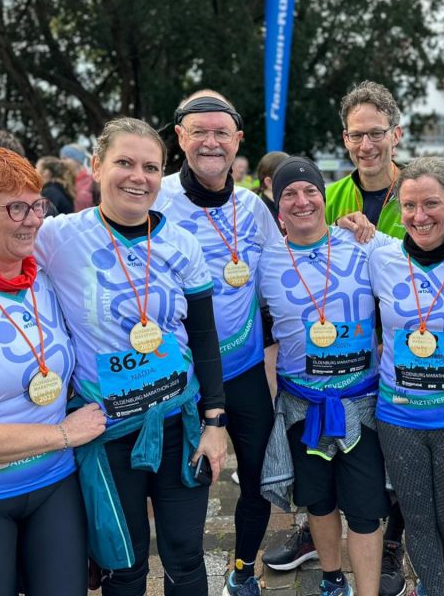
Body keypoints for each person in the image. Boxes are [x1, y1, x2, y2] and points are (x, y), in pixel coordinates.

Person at [0, 119, 229, 596]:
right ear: (96, 166)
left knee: (186, 558)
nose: (139, 176)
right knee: (123, 565)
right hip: (105, 431)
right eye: (124, 163)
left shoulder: (182, 244)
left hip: (179, 422)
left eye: (151, 166)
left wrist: (216, 423)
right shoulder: (55, 235)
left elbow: (203, 335)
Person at [0, 146, 106, 596]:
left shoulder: (44, 275)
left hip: (53, 485)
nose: (33, 219)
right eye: (16, 207)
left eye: (36, 204)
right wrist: (65, 434)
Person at [157, 89, 281, 596]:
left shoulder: (253, 207)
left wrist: (352, 233)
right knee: (180, 488)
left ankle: (242, 569)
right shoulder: (154, 196)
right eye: (199, 132)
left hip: (244, 370)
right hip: (178, 380)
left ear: (238, 141)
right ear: (180, 138)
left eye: (221, 133)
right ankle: (179, 575)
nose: (211, 142)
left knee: (259, 478)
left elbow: (289, 267)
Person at [259, 156, 393, 596]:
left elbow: (415, 274)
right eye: (289, 195)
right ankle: (333, 581)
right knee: (318, 500)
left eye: (310, 191)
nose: (301, 202)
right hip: (303, 406)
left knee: (367, 508)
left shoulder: (361, 244)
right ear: (276, 205)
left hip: (361, 402)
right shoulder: (263, 261)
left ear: (324, 195)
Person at [370, 157, 444, 596]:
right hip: (399, 417)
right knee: (417, 519)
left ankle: (429, 576)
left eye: (431, 204)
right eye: (409, 206)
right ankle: (432, 589)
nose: (419, 216)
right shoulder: (379, 257)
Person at [325, 80, 406, 239]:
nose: (366, 146)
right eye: (356, 135)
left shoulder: (422, 196)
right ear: (346, 139)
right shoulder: (328, 198)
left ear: (395, 136)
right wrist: (334, 231)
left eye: (376, 133)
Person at [254, 151, 289, 230]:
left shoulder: (281, 207)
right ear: (269, 182)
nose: (293, 182)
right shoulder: (259, 214)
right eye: (287, 177)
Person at [60, 143, 94, 211]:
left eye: (65, 158)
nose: (62, 162)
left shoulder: (92, 178)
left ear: (77, 159)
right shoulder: (70, 183)